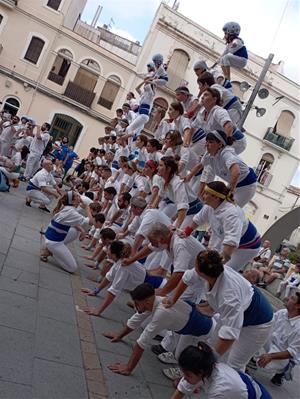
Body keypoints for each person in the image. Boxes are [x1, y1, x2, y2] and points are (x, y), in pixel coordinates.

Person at [165, 250, 273, 371]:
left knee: (234, 364)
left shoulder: (229, 297)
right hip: (238, 309)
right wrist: (172, 300)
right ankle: (194, 376)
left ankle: (217, 383)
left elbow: (229, 335)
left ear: (201, 272)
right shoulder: (210, 270)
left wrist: (208, 363)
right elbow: (186, 279)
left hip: (258, 323)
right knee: (211, 345)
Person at [102, 283, 213, 376]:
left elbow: (142, 342)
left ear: (147, 302)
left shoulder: (161, 313)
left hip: (205, 332)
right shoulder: (154, 302)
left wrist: (128, 368)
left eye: (137, 303)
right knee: (178, 353)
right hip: (189, 326)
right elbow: (135, 320)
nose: (135, 306)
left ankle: (190, 377)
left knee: (185, 358)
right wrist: (119, 336)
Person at [184, 181, 261, 271]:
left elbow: (231, 243)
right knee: (205, 266)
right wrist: (186, 232)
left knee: (222, 272)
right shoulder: (209, 206)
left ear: (216, 197)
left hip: (247, 246)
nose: (202, 195)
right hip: (223, 239)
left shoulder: (231, 214)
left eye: (206, 193)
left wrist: (217, 264)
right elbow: (197, 220)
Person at [82, 242, 164, 316]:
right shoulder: (120, 262)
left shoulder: (123, 266)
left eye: (108, 250)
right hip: (149, 289)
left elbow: (113, 291)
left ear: (114, 255)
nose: (106, 251)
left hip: (160, 289)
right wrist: (95, 291)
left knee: (146, 323)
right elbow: (108, 277)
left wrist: (98, 311)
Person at [172, 342, 271, 399]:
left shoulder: (220, 389)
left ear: (201, 372)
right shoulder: (204, 367)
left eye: (187, 375)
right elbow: (181, 390)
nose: (184, 377)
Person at [197, 130, 257, 207]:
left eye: (210, 142)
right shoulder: (211, 156)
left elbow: (236, 172)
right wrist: (189, 177)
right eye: (207, 142)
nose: (206, 145)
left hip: (247, 186)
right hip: (234, 184)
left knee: (227, 209)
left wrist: (229, 192)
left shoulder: (226, 153)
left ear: (219, 144)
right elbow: (202, 168)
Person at [254, 292, 300, 387]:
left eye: (292, 298)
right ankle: (252, 357)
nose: (287, 298)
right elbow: (265, 324)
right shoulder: (282, 312)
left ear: (298, 306)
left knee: (265, 365)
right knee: (257, 331)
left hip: (283, 354)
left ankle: (282, 371)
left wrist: (270, 356)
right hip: (272, 343)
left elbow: (291, 352)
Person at [41, 191, 94, 272]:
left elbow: (71, 222)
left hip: (50, 238)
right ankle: (52, 251)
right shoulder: (72, 212)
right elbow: (91, 222)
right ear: (72, 201)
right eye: (77, 196)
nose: (80, 198)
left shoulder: (67, 208)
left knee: (76, 231)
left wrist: (82, 230)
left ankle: (52, 250)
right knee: (72, 268)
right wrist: (87, 208)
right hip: (54, 242)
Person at [158, 156, 202, 228]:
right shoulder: (163, 180)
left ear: (168, 169)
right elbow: (160, 194)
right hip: (184, 212)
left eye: (160, 165)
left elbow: (183, 207)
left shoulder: (177, 183)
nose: (158, 168)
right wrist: (152, 206)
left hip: (194, 212)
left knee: (176, 235)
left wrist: (176, 226)